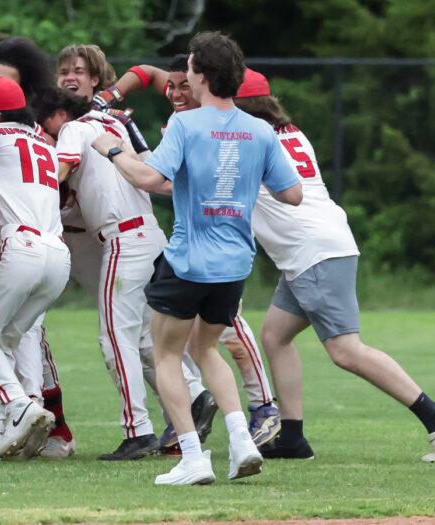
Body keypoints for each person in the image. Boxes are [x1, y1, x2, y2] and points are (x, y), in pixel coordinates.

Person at [92, 31, 302, 485]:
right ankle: (242, 441)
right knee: (205, 347)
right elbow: (293, 193)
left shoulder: (186, 125)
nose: (184, 76)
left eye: (189, 69)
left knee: (167, 355)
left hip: (188, 260)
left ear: (202, 76)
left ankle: (192, 457)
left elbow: (148, 177)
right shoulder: (260, 130)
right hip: (234, 265)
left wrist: (110, 150)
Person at [234, 68, 435, 462]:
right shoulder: (290, 132)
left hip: (313, 250)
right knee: (275, 335)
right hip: (314, 245)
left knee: (345, 350)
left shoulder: (250, 141)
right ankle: (292, 439)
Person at [36, 87, 168, 461]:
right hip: (150, 233)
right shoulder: (112, 121)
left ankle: (137, 430)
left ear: (60, 113)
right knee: (145, 338)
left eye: (48, 124)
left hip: (123, 240)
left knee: (115, 339)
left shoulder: (75, 129)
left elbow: (61, 170)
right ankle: (187, 407)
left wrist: (32, 192)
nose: (47, 132)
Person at [0, 34, 76, 459]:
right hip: (58, 256)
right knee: (8, 340)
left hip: (21, 249)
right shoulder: (42, 144)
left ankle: (21, 407)